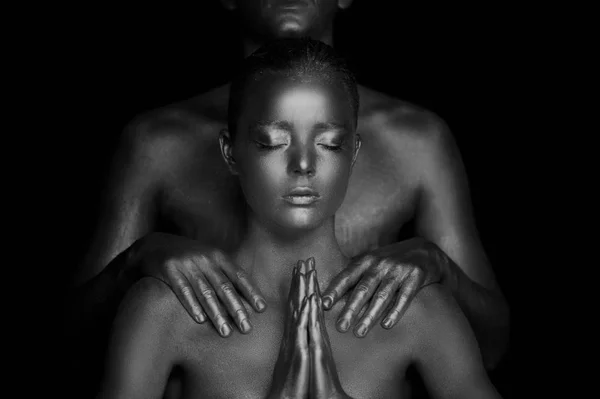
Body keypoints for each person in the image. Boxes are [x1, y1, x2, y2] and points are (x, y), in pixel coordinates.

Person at [69, 0, 508, 379]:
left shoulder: (416, 141)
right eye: (270, 142)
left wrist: (441, 269)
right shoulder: (158, 143)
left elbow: (491, 351)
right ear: (230, 152)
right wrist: (136, 262)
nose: (302, 166)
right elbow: (75, 351)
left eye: (330, 144)